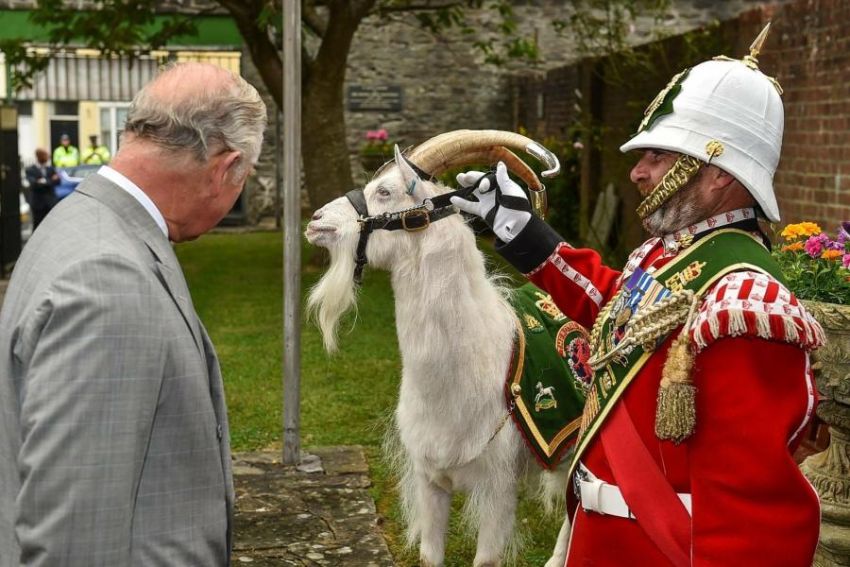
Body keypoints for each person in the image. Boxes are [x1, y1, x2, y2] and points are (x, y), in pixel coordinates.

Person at [452, 25, 824, 566]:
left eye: (658, 155)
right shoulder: (671, 256)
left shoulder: (743, 305)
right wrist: (518, 228)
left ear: (716, 173)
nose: (637, 170)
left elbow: (752, 519)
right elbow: (623, 317)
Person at [0, 62, 266, 566]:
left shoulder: (80, 219)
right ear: (226, 167)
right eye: (244, 178)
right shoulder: (109, 280)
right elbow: (76, 540)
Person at [23, 148, 60, 229]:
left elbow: (58, 181)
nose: (48, 157)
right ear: (39, 156)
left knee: (51, 227)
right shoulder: (30, 170)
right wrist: (50, 180)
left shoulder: (51, 169)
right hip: (38, 204)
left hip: (50, 203)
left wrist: (43, 181)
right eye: (45, 155)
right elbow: (34, 184)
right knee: (37, 227)